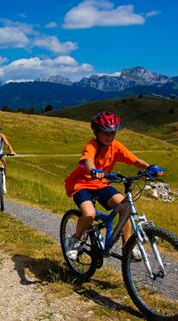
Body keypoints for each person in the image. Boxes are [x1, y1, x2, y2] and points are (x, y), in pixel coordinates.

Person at [63, 111, 163, 260]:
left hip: (102, 184)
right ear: (96, 132)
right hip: (82, 185)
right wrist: (93, 170)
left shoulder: (115, 146)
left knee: (126, 206)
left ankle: (127, 247)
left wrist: (150, 167)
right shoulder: (92, 145)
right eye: (105, 133)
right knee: (89, 214)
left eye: (113, 133)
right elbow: (88, 160)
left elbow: (134, 160)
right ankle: (75, 240)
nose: (110, 137)